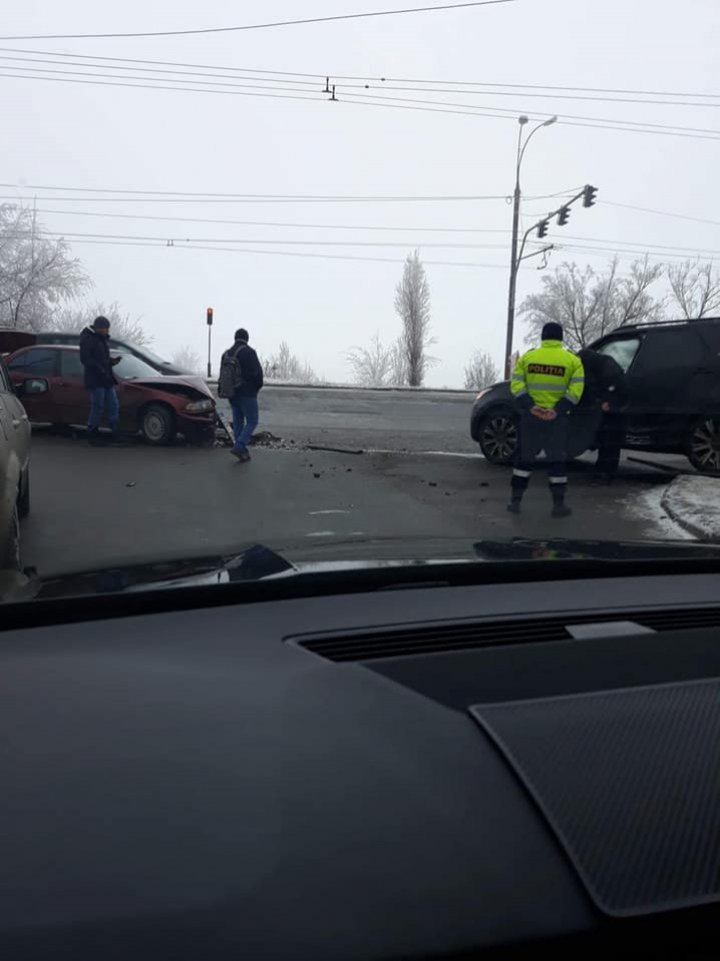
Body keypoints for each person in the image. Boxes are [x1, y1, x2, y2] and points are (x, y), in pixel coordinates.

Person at [509, 322, 585, 517]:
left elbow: (516, 385)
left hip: (531, 418)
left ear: (543, 337)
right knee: (557, 462)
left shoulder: (528, 358)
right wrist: (557, 410)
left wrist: (530, 406)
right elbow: (576, 392)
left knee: (524, 460)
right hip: (556, 421)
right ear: (560, 338)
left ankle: (515, 502)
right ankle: (558, 505)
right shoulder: (572, 361)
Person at [578, 347, 630, 483]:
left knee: (610, 443)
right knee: (607, 442)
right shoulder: (602, 365)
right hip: (611, 411)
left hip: (615, 411)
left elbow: (621, 388)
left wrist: (609, 402)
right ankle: (603, 471)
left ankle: (606, 474)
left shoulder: (607, 369)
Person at [221, 328, 264, 462]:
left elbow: (223, 375)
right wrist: (255, 390)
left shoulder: (226, 354)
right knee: (252, 421)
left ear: (235, 338)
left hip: (231, 393)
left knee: (238, 422)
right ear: (247, 339)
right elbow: (258, 376)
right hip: (247, 393)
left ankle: (242, 451)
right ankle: (239, 446)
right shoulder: (249, 353)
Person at [79, 316, 122, 446]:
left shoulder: (101, 339)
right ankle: (92, 432)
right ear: (99, 328)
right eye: (106, 328)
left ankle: (115, 431)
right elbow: (86, 359)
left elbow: (103, 358)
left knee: (113, 404)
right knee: (97, 406)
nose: (107, 331)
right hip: (95, 379)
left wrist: (111, 362)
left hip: (106, 378)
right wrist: (100, 368)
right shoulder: (88, 339)